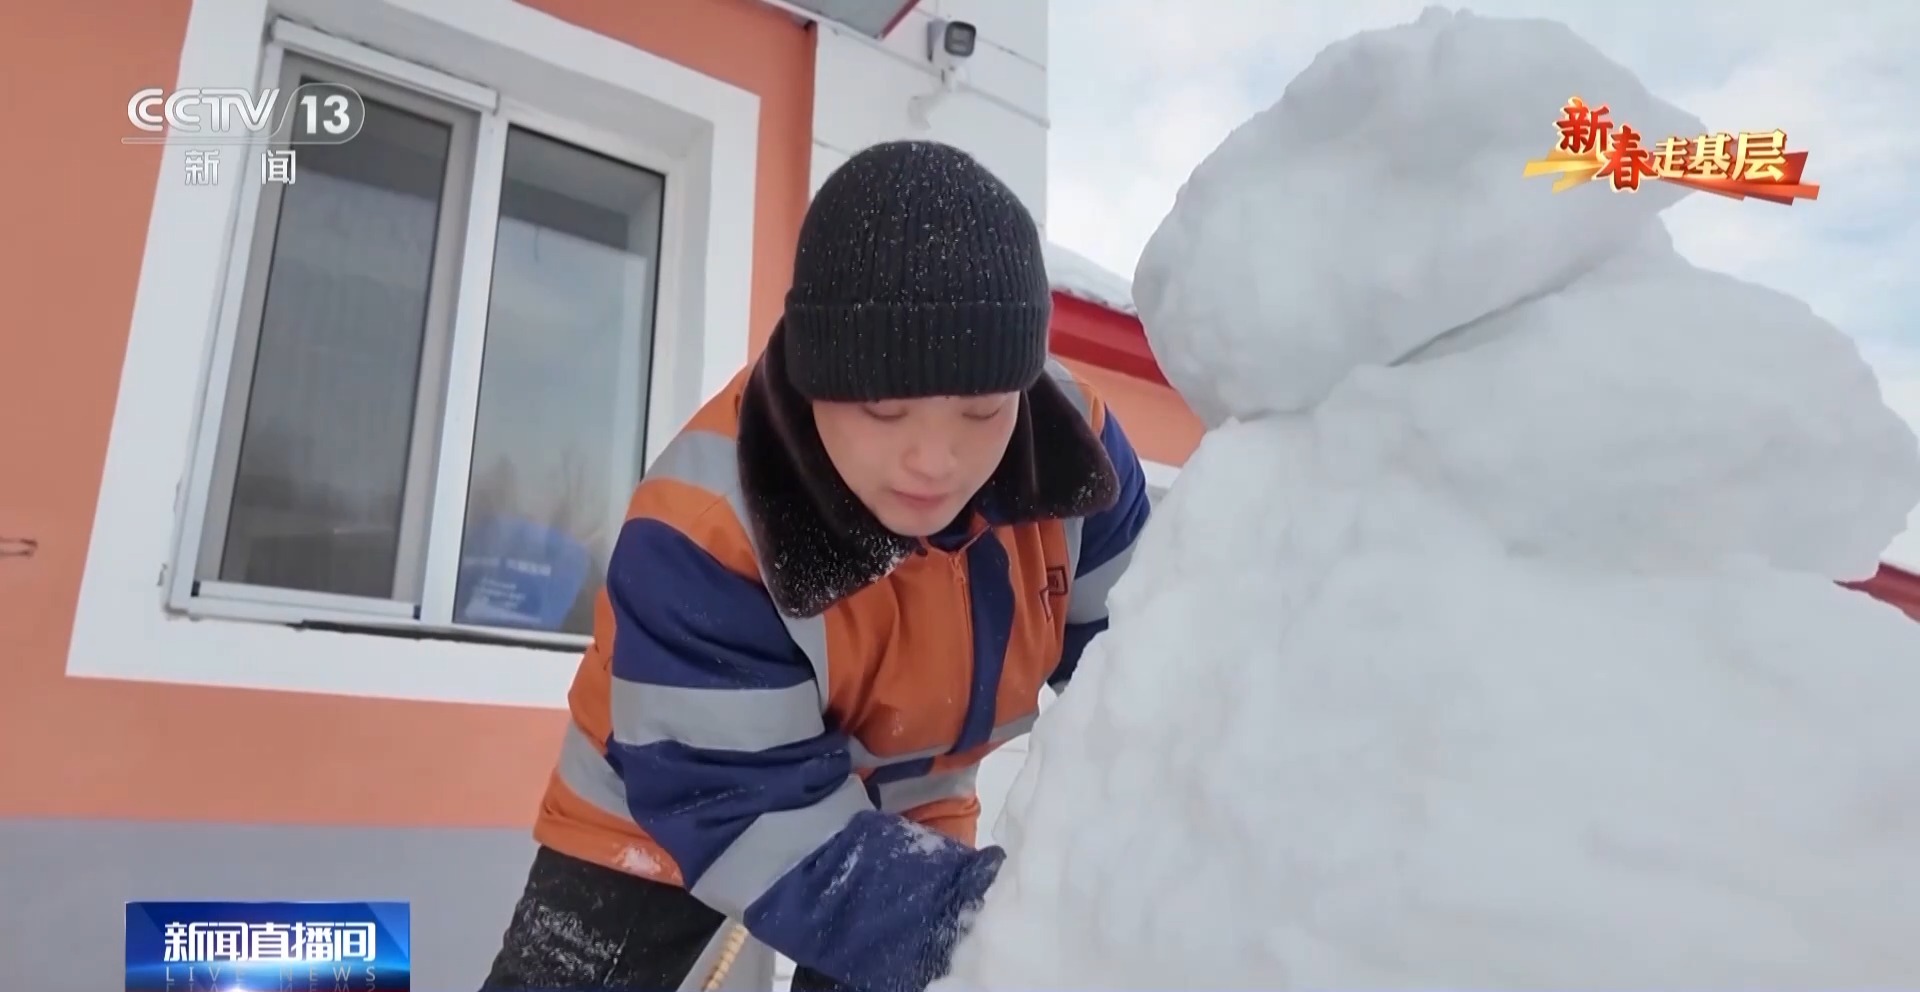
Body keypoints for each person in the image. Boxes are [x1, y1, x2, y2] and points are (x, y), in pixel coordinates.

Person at [480, 139, 1153, 992]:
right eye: (884, 410)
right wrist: (993, 919)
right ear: (815, 379)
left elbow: (1150, 681)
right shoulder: (703, 528)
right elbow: (746, 807)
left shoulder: (1077, 456)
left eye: (982, 411)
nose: (935, 461)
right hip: (674, 792)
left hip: (911, 798)